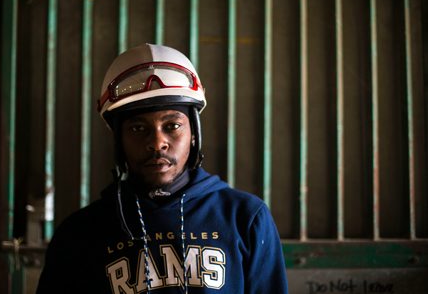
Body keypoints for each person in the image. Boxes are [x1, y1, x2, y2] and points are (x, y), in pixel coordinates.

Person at [36, 43, 288, 293]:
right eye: (138, 129)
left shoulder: (245, 217)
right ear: (118, 139)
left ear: (193, 133)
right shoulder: (79, 234)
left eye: (172, 126)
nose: (157, 143)